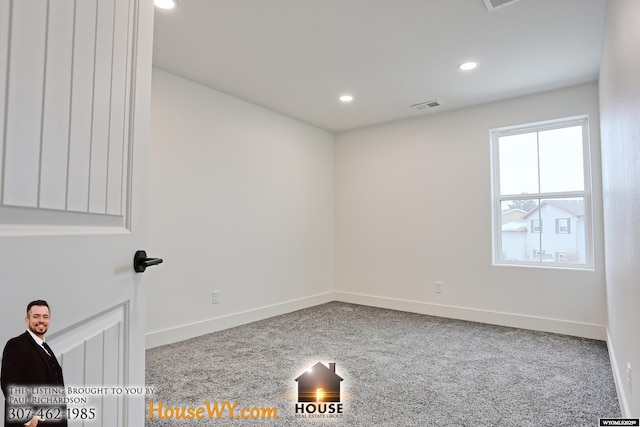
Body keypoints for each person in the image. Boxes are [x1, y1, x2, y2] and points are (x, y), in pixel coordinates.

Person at [1, 300, 67, 427]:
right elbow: (9, 385)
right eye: (36, 316)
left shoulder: (45, 347)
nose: (41, 320)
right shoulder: (16, 345)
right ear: (27, 320)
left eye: (45, 317)